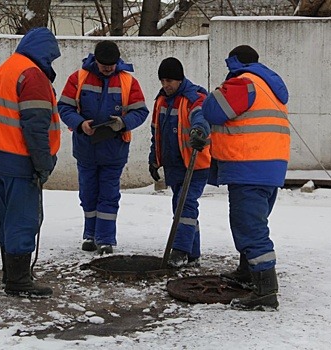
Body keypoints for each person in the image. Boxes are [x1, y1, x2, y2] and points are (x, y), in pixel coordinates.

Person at [202, 45, 290, 310]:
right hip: (269, 167)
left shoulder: (243, 84)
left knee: (250, 229)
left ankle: (265, 291)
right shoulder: (268, 85)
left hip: (248, 166)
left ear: (234, 63)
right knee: (250, 224)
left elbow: (212, 110)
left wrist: (221, 87)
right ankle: (248, 272)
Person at [0, 27, 61, 297]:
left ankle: (10, 273)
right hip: (19, 160)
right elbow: (35, 127)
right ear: (45, 53)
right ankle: (19, 281)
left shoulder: (6, 68)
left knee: (8, 218)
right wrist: (43, 163)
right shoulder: (32, 75)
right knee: (23, 219)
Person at [58, 40, 149, 255]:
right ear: (95, 61)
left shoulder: (128, 81)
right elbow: (64, 106)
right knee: (88, 194)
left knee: (108, 195)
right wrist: (80, 124)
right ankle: (90, 235)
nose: (108, 68)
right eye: (103, 65)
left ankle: (106, 239)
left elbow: (140, 111)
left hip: (114, 150)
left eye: (111, 65)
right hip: (86, 148)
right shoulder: (78, 78)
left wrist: (123, 123)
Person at [149, 57, 211, 268]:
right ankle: (193, 253)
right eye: (163, 80)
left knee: (185, 205)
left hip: (194, 164)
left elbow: (201, 117)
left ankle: (181, 250)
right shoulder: (161, 101)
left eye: (170, 81)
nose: (166, 85)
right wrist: (154, 159)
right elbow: (156, 132)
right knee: (181, 206)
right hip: (174, 165)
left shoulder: (194, 97)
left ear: (180, 79)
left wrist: (198, 131)